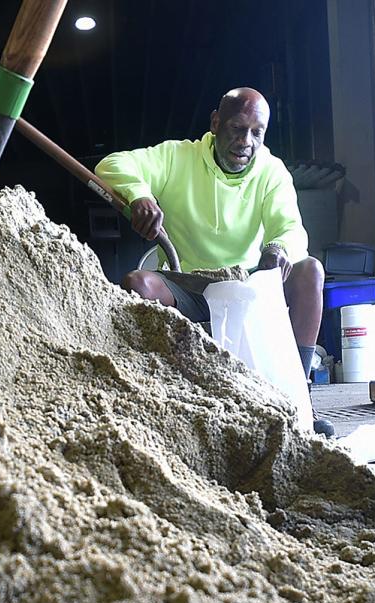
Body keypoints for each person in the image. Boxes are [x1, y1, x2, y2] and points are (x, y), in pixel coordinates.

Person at [94, 87, 333, 437]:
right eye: (237, 128)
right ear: (216, 123)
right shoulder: (178, 157)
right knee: (137, 283)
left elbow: (291, 228)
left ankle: (300, 401)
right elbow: (111, 164)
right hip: (188, 284)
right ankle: (163, 399)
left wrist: (278, 248)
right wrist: (140, 195)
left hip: (246, 286)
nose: (246, 141)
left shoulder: (271, 171)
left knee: (310, 270)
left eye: (257, 133)